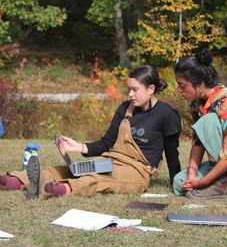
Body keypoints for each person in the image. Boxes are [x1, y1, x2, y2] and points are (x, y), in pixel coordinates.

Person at [0, 65, 181, 198]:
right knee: (68, 170)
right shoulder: (125, 109)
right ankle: (12, 181)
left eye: (135, 90)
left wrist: (176, 183)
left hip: (136, 171)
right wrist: (78, 146)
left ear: (151, 89)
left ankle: (52, 190)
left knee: (95, 178)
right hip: (109, 161)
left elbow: (172, 154)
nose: (130, 95)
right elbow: (106, 144)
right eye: (128, 89)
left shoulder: (167, 114)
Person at [172, 50, 227, 199]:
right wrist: (192, 174)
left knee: (208, 120)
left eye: (182, 85)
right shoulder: (197, 102)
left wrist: (203, 182)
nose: (179, 90)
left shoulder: (226, 102)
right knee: (179, 182)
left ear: (200, 84)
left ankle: (219, 183)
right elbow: (198, 141)